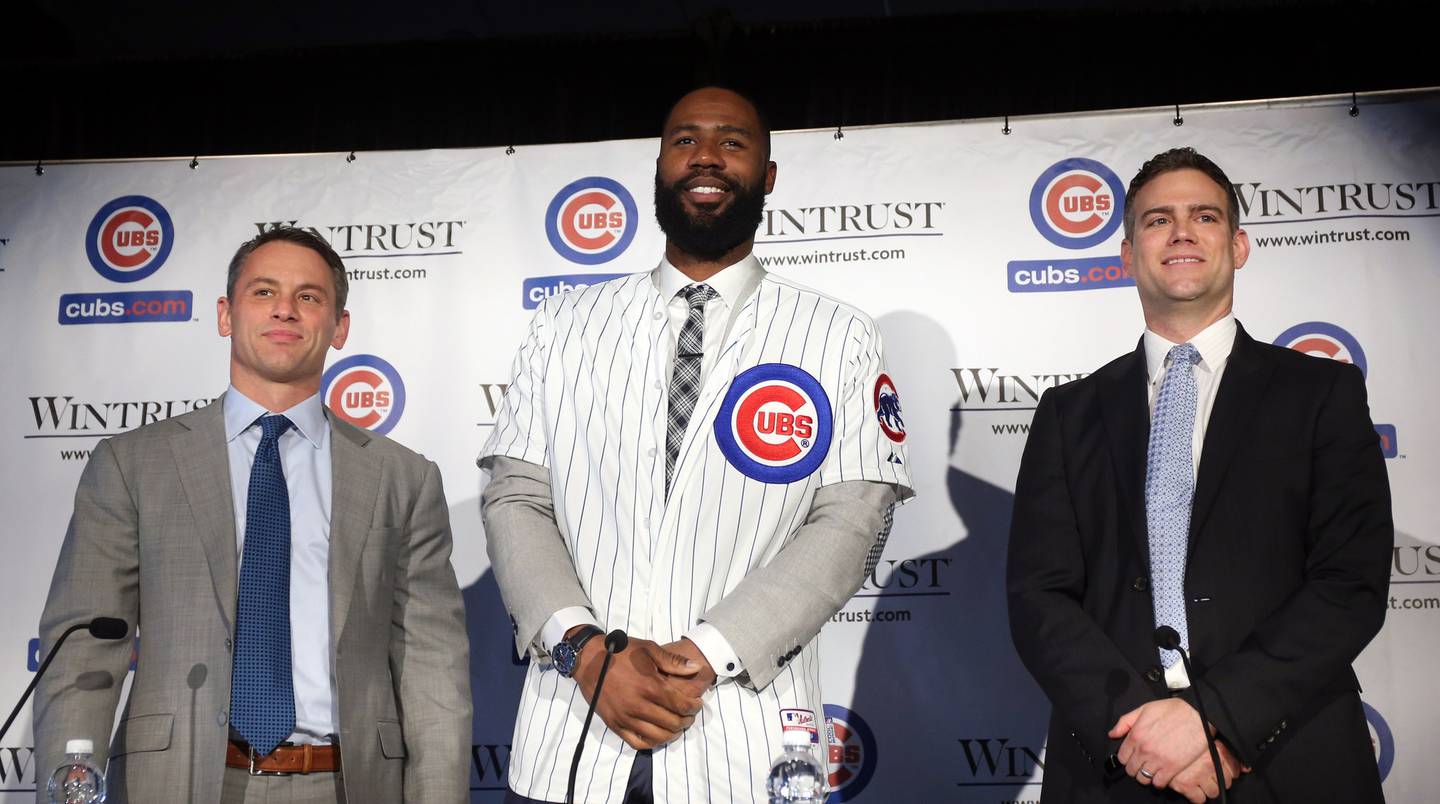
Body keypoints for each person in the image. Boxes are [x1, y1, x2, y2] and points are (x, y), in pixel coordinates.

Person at [480, 86, 914, 803]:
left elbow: (852, 517)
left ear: (768, 175)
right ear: (659, 163)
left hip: (746, 737)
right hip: (575, 733)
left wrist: (705, 654)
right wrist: (587, 653)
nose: (705, 156)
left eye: (732, 141)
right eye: (685, 140)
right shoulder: (566, 323)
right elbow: (517, 499)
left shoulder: (837, 332)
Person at [1007, 147, 1391, 803]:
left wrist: (1217, 718)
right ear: (1127, 255)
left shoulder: (1322, 393)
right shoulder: (1068, 414)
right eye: (1157, 220)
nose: (1182, 232)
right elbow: (1038, 598)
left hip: (1290, 752)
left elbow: (1350, 582)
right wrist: (1143, 734)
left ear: (1237, 245)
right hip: (1118, 762)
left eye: (1204, 216)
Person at [35, 227, 471, 803]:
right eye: (263, 292)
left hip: (346, 784)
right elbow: (83, 646)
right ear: (225, 314)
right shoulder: (133, 463)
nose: (285, 309)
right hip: (179, 783)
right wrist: (71, 789)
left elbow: (431, 667)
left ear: (339, 327)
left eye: (309, 297)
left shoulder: (403, 478)